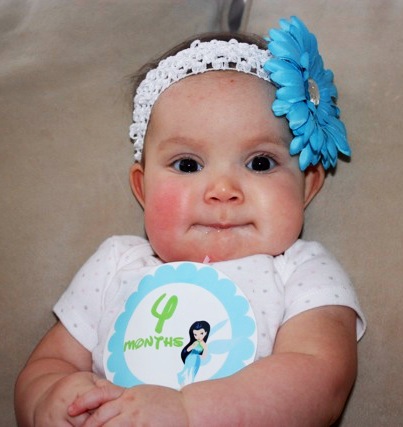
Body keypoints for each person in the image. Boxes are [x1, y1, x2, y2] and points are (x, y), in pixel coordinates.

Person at [15, 16, 366, 426]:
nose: (223, 190)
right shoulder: (115, 264)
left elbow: (320, 377)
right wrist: (51, 399)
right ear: (142, 188)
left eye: (260, 163)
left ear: (308, 186)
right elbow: (49, 364)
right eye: (187, 164)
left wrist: (189, 410)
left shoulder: (301, 270)